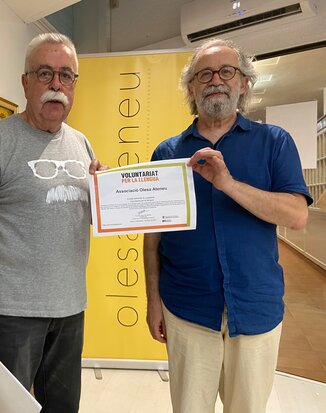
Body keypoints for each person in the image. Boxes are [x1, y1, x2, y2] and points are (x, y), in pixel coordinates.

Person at [144, 38, 312, 413]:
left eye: (226, 71)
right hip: (186, 308)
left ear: (243, 83)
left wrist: (229, 184)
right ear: (191, 88)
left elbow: (296, 215)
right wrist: (153, 301)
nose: (216, 80)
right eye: (204, 74)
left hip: (255, 308)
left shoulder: (274, 142)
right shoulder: (167, 153)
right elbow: (152, 237)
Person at [0, 33, 104, 413]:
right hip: (12, 316)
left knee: (64, 407)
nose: (57, 84)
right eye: (45, 73)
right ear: (25, 82)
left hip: (70, 309)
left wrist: (109, 191)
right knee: (9, 410)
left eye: (66, 75)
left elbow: (89, 218)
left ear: (74, 84)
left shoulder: (82, 143)